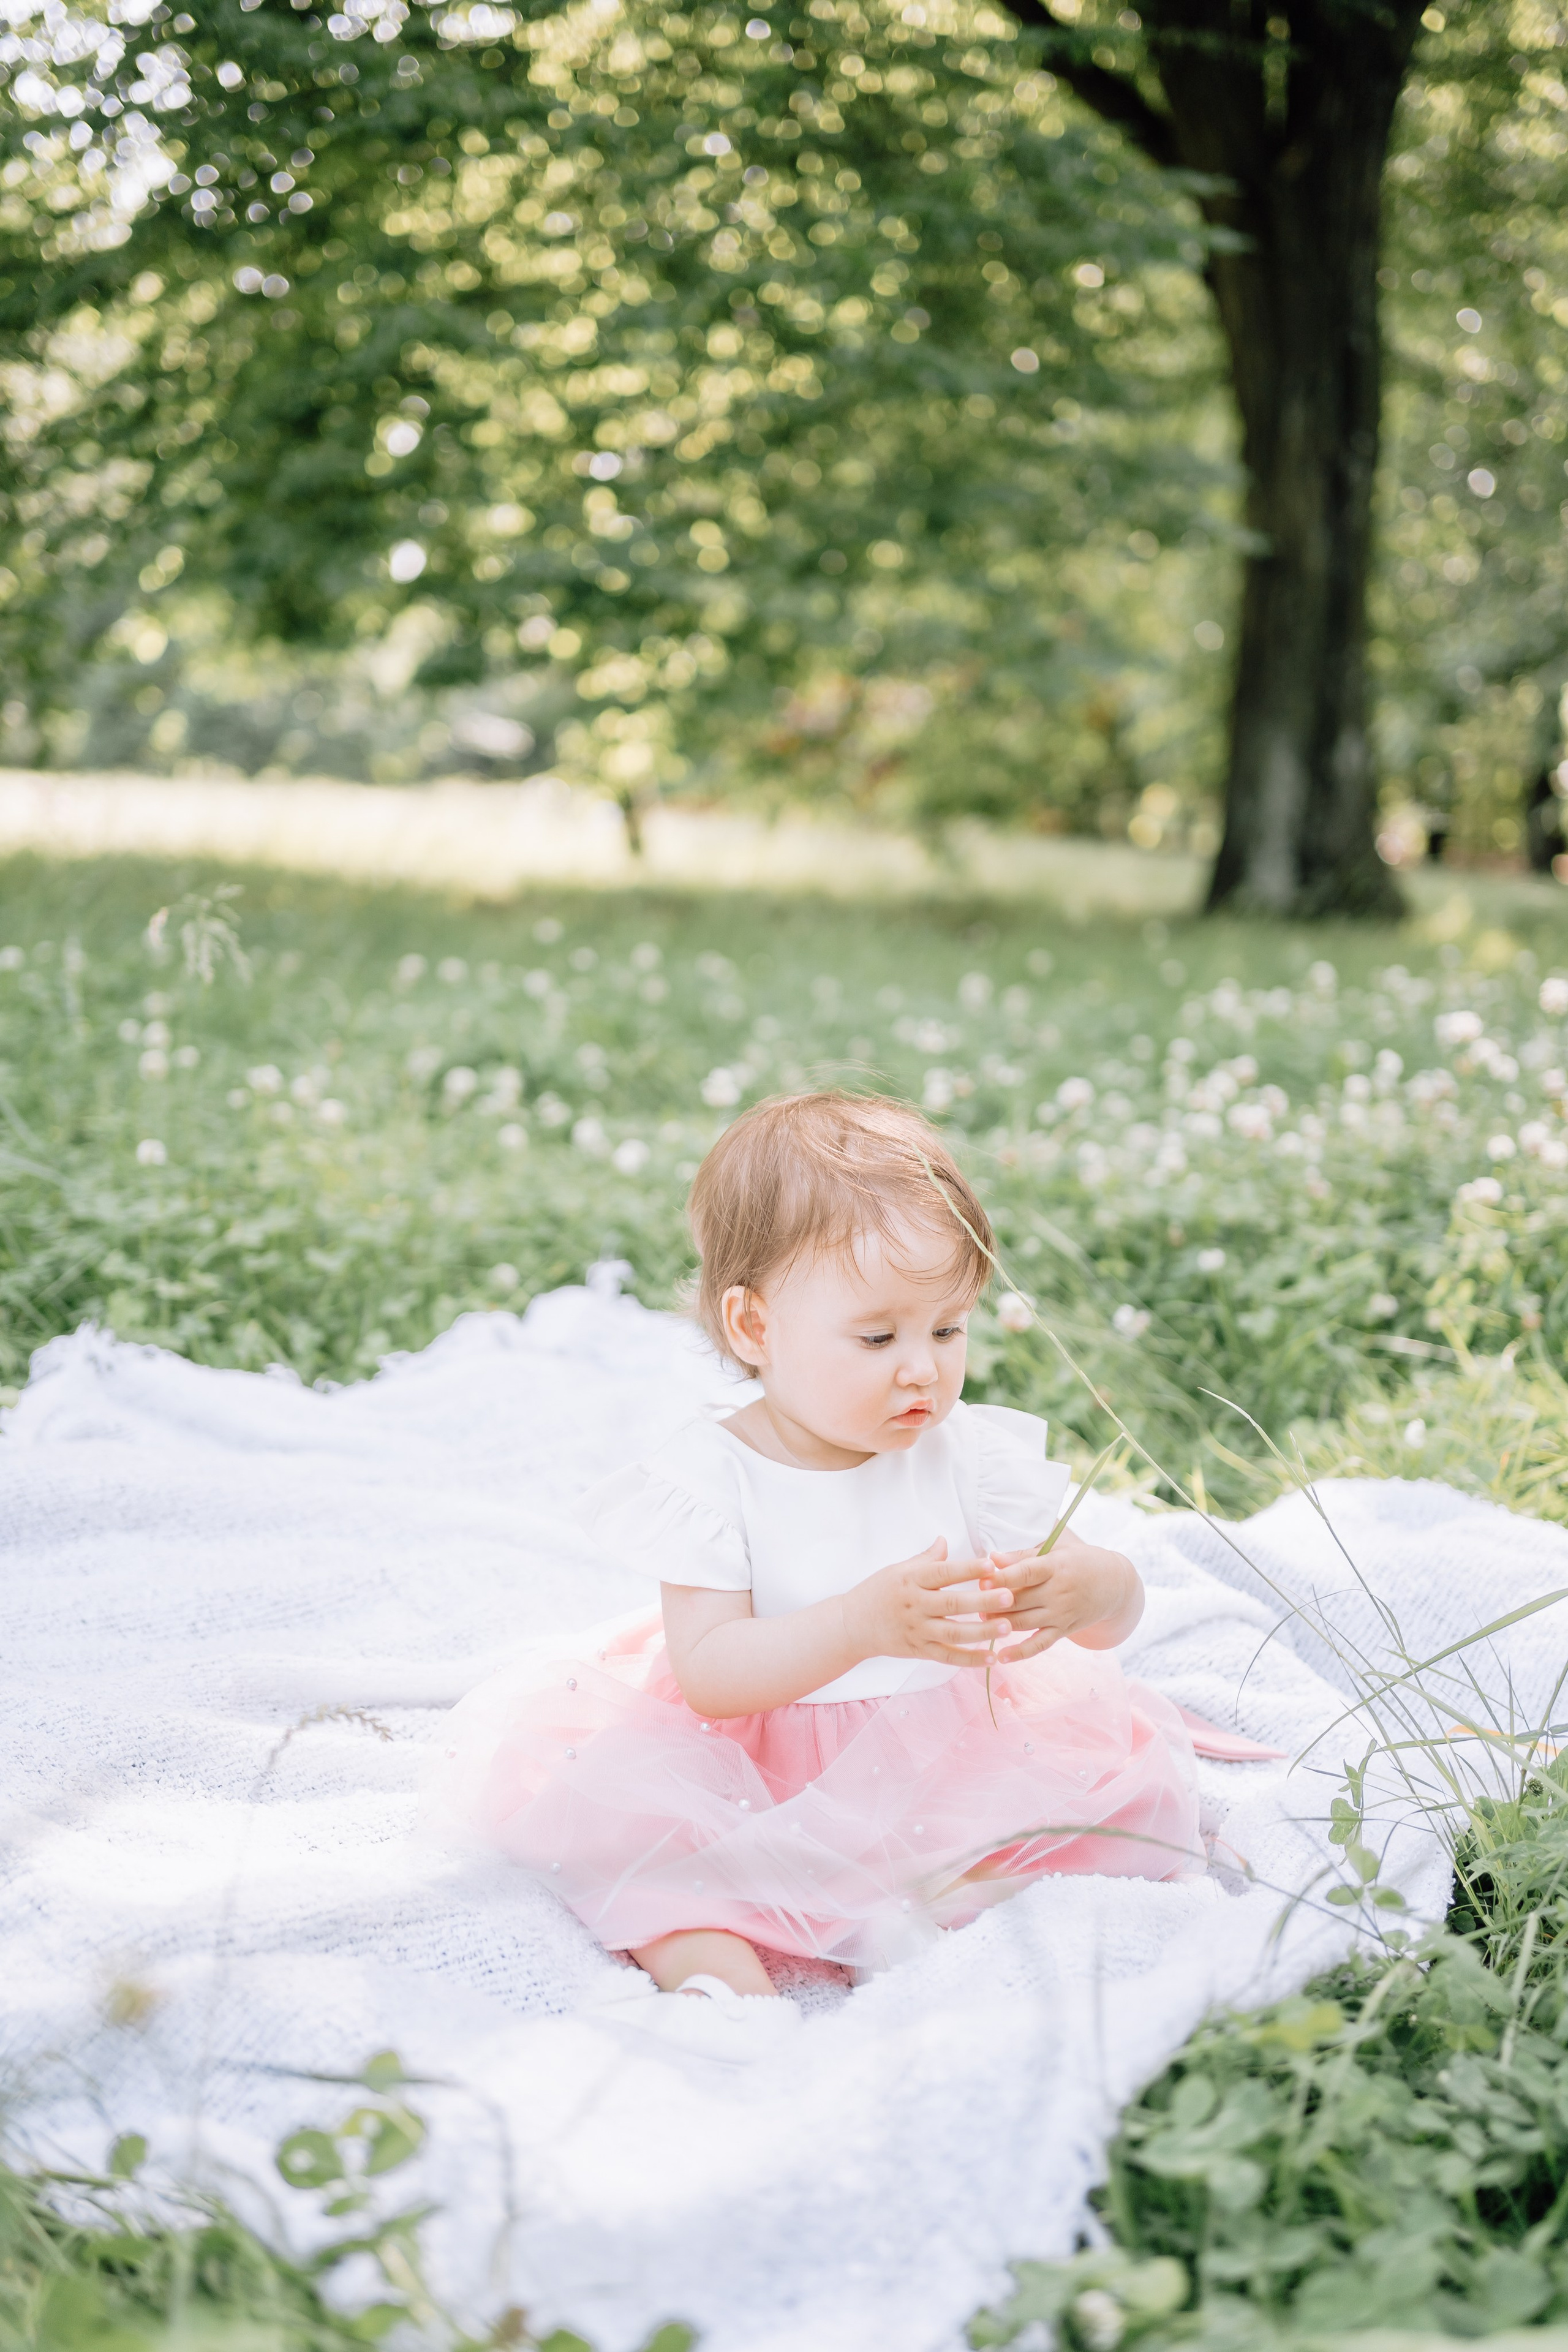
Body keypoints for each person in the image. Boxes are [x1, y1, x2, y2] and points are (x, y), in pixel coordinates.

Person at [432, 1091, 1204, 2051]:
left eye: (949, 1328)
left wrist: (1098, 1589)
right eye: (879, 1338)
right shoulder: (716, 1479)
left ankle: (922, 1917)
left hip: (950, 1744)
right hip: (757, 1768)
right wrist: (858, 1625)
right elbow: (712, 1672)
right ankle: (720, 1987)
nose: (923, 1370)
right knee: (656, 1851)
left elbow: (1090, 1606)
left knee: (1073, 1824)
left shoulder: (966, 1452)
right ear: (755, 1329)